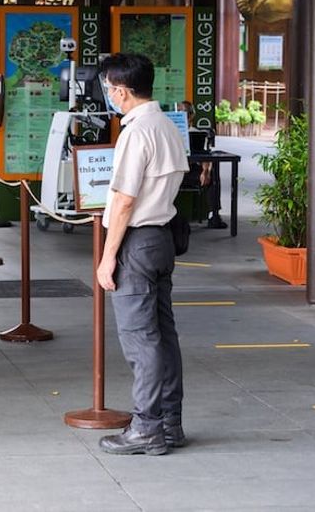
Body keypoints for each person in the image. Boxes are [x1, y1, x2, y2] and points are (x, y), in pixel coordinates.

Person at [96, 53, 189, 455]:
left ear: (121, 91)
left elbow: (123, 201)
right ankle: (170, 423)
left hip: (137, 241)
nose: (109, 96)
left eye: (109, 89)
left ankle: (146, 427)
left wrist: (107, 256)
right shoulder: (167, 125)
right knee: (164, 336)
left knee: (140, 339)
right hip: (163, 238)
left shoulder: (136, 132)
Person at [176, 101, 226, 229]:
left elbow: (205, 155)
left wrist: (205, 171)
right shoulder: (168, 132)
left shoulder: (197, 133)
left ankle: (214, 215)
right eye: (179, 112)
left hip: (191, 171)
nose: (182, 115)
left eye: (185, 112)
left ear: (191, 116)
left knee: (213, 175)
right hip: (172, 172)